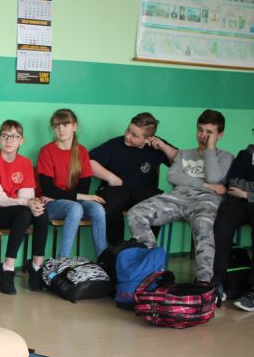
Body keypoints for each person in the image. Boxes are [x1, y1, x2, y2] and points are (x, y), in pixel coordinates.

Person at [127, 109, 234, 284]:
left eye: (209, 132)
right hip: (177, 198)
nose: (203, 136)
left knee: (204, 227)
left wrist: (210, 149)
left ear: (219, 135)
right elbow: (173, 177)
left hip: (205, 202)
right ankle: (152, 272)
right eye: (200, 130)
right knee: (135, 214)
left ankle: (204, 283)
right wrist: (205, 185)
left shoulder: (226, 157)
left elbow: (214, 177)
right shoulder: (184, 154)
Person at [89, 112, 178, 245]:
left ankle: (144, 247)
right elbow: (88, 162)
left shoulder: (156, 146)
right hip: (117, 190)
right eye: (128, 130)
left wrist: (164, 147)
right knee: (110, 208)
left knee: (157, 205)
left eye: (134, 135)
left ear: (147, 139)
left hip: (144, 191)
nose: (127, 136)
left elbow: (180, 161)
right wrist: (110, 177)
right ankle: (117, 248)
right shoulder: (115, 144)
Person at [0, 119, 49, 294]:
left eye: (14, 136)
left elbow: (26, 196)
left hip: (18, 210)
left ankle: (36, 267)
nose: (9, 140)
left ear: (22, 140)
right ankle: (8, 268)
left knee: (42, 214)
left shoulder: (25, 163)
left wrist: (33, 204)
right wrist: (27, 203)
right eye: (4, 135)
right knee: (24, 213)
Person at [37, 109, 107, 259]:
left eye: (65, 124)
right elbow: (49, 190)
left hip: (72, 201)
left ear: (74, 126)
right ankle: (63, 259)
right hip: (50, 203)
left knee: (98, 209)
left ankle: (103, 259)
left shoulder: (81, 151)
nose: (61, 129)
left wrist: (66, 195)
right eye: (56, 126)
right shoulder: (47, 151)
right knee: (75, 208)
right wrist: (82, 197)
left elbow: (83, 188)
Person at [211, 144, 254, 310]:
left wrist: (247, 193)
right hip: (237, 203)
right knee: (222, 223)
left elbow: (241, 188)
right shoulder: (245, 154)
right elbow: (234, 183)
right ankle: (216, 280)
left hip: (246, 198)